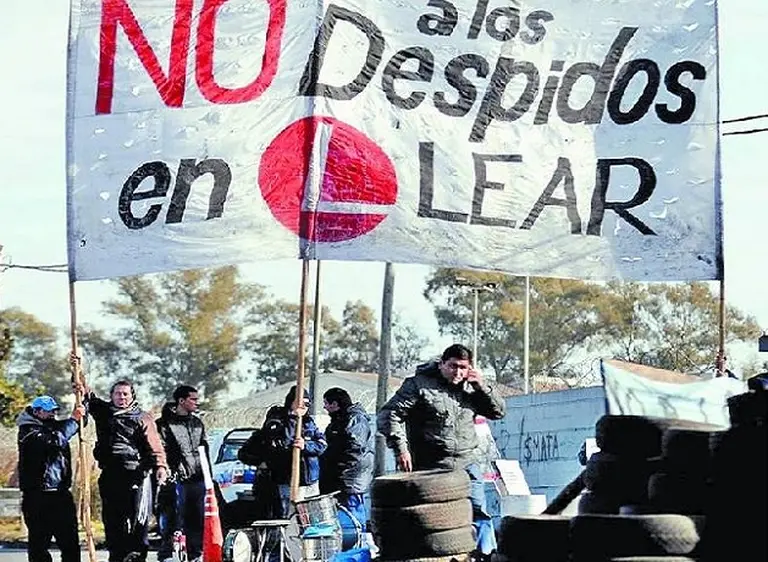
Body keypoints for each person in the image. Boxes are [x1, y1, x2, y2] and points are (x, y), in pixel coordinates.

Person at [377, 344, 506, 559]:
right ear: (442, 364)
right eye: (453, 366)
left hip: (467, 462)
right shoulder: (419, 385)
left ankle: (485, 555)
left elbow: (498, 411)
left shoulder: (472, 388)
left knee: (479, 512)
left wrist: (481, 386)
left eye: (463, 368)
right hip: (432, 466)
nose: (458, 373)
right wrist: (401, 449)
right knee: (431, 521)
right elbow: (389, 415)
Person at [74, 359, 168, 562]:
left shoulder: (143, 418)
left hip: (137, 475)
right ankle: (116, 557)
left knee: (138, 521)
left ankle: (135, 557)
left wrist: (160, 466)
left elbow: (155, 446)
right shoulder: (104, 413)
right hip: (110, 475)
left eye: (125, 394)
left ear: (132, 396)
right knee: (113, 521)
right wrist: (78, 372)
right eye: (118, 394)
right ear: (112, 396)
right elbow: (86, 394)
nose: (121, 397)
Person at [17, 395, 85, 562]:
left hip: (60, 494)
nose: (52, 414)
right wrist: (73, 420)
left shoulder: (53, 426)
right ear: (36, 411)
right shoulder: (28, 432)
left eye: (54, 411)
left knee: (70, 543)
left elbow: (79, 422)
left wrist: (83, 397)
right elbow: (55, 441)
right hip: (37, 496)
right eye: (48, 412)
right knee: (39, 545)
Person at [156, 385, 208, 562]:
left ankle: (196, 554)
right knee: (172, 519)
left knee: (197, 520)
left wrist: (207, 476)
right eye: (193, 399)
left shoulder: (197, 423)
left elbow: (203, 449)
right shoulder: (163, 424)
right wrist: (168, 472)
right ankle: (167, 554)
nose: (196, 402)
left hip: (198, 479)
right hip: (175, 479)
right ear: (181, 401)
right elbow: (160, 450)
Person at [259, 385, 327, 518]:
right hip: (288, 479)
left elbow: (322, 444)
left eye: (308, 403)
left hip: (310, 480)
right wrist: (292, 418)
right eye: (301, 403)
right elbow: (281, 443)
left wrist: (306, 445)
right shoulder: (278, 419)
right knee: (289, 516)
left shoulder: (309, 422)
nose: (305, 407)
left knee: (311, 518)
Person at [319, 388, 374, 529]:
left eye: (326, 403)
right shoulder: (338, 421)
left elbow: (354, 448)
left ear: (335, 404)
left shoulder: (355, 420)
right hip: (339, 478)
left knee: (352, 516)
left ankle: (359, 545)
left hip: (350, 479)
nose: (324, 407)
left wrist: (341, 469)